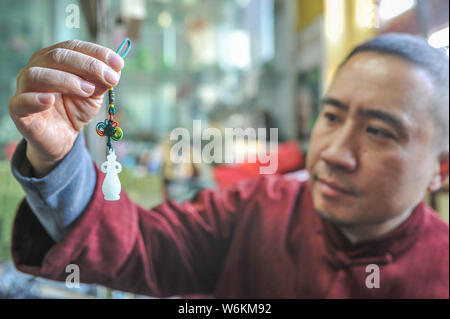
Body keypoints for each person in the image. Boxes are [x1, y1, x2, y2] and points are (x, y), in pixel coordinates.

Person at [8, 34, 449, 298]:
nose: (335, 152)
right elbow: (137, 243)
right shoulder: (258, 210)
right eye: (331, 116)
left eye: (379, 132)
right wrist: (59, 157)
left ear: (440, 168)